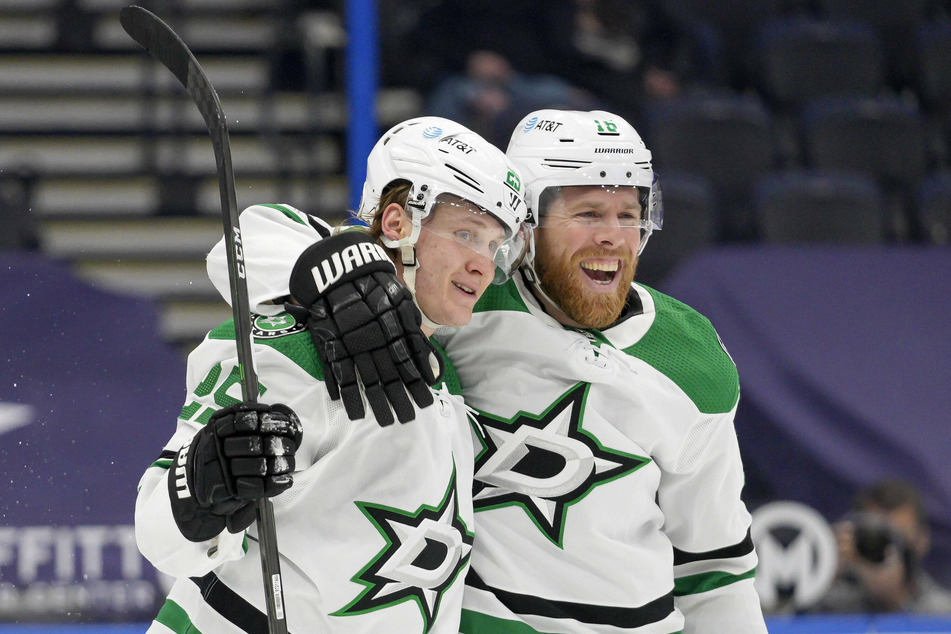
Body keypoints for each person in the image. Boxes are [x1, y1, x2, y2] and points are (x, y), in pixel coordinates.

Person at [211, 109, 767, 632]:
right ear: (526, 229)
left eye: (629, 214)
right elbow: (248, 242)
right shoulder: (464, 300)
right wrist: (338, 279)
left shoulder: (693, 360)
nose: (613, 236)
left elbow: (715, 567)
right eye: (587, 213)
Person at [134, 117, 528, 633]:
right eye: (464, 234)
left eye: (494, 245)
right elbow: (162, 534)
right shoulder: (298, 350)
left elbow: (275, 233)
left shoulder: (444, 368)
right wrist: (203, 487)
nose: (482, 264)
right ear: (396, 223)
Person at [812, 478, 951, 614]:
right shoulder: (832, 608)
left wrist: (896, 598)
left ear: (922, 540)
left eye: (899, 537)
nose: (886, 550)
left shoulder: (942, 613)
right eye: (875, 537)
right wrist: (823, 572)